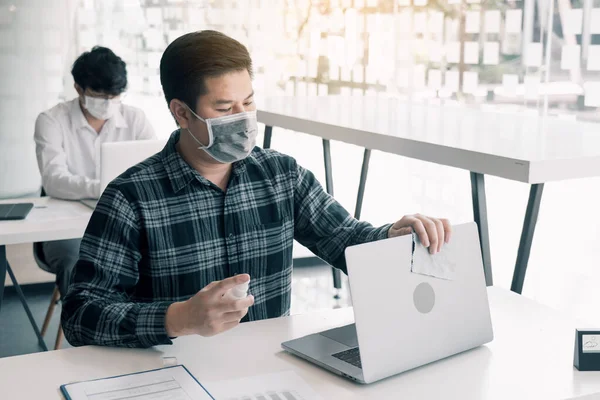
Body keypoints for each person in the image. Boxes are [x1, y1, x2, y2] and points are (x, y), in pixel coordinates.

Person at [61, 31, 451, 348]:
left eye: (249, 102)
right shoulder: (131, 197)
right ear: (181, 112)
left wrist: (392, 236)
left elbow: (345, 238)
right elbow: (81, 315)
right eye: (225, 108)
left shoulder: (281, 175)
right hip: (175, 373)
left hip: (271, 368)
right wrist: (178, 319)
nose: (243, 119)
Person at [33, 46, 156, 297]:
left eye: (115, 96)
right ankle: (88, 332)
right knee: (80, 261)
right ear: (79, 88)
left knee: (159, 253)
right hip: (65, 228)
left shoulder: (135, 118)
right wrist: (104, 189)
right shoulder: (52, 120)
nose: (109, 104)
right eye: (100, 96)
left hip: (123, 222)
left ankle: (135, 328)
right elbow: (54, 180)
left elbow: (152, 170)